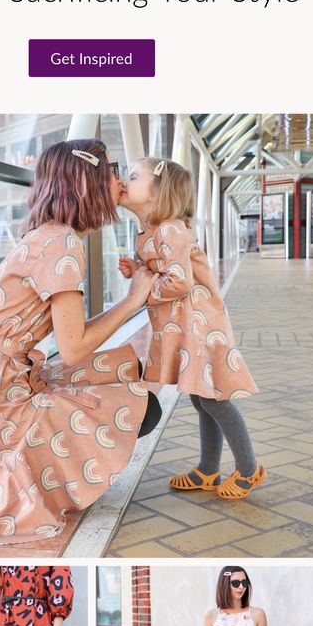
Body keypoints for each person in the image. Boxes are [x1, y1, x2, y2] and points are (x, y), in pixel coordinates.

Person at [0, 139, 161, 546]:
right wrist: (134, 300)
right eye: (113, 170)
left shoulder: (47, 235)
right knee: (137, 404)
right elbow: (76, 349)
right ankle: (57, 481)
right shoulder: (63, 244)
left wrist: (129, 300)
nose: (118, 178)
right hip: (3, 397)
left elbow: (71, 338)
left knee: (118, 383)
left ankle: (58, 478)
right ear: (88, 181)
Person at [118, 157, 266, 500]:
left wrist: (144, 289)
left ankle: (249, 469)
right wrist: (138, 268)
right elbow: (162, 266)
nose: (126, 181)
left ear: (158, 193)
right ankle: (208, 469)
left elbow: (179, 281)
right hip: (187, 328)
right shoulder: (152, 231)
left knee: (214, 399)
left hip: (201, 328)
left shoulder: (170, 228)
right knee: (203, 399)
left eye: (134, 176)